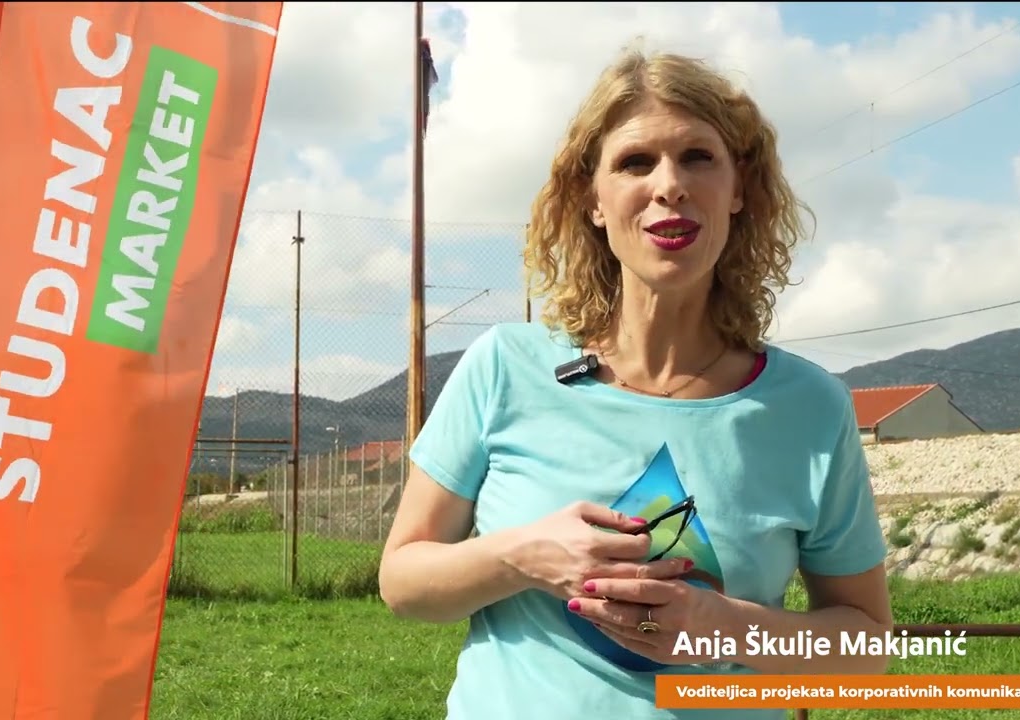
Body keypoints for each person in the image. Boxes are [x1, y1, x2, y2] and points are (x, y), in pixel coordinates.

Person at [378, 41, 894, 720]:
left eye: (698, 157)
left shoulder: (809, 407)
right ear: (593, 200)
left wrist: (724, 626)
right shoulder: (503, 366)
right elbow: (403, 580)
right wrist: (522, 555)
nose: (669, 184)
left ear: (740, 190)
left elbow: (865, 645)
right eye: (634, 162)